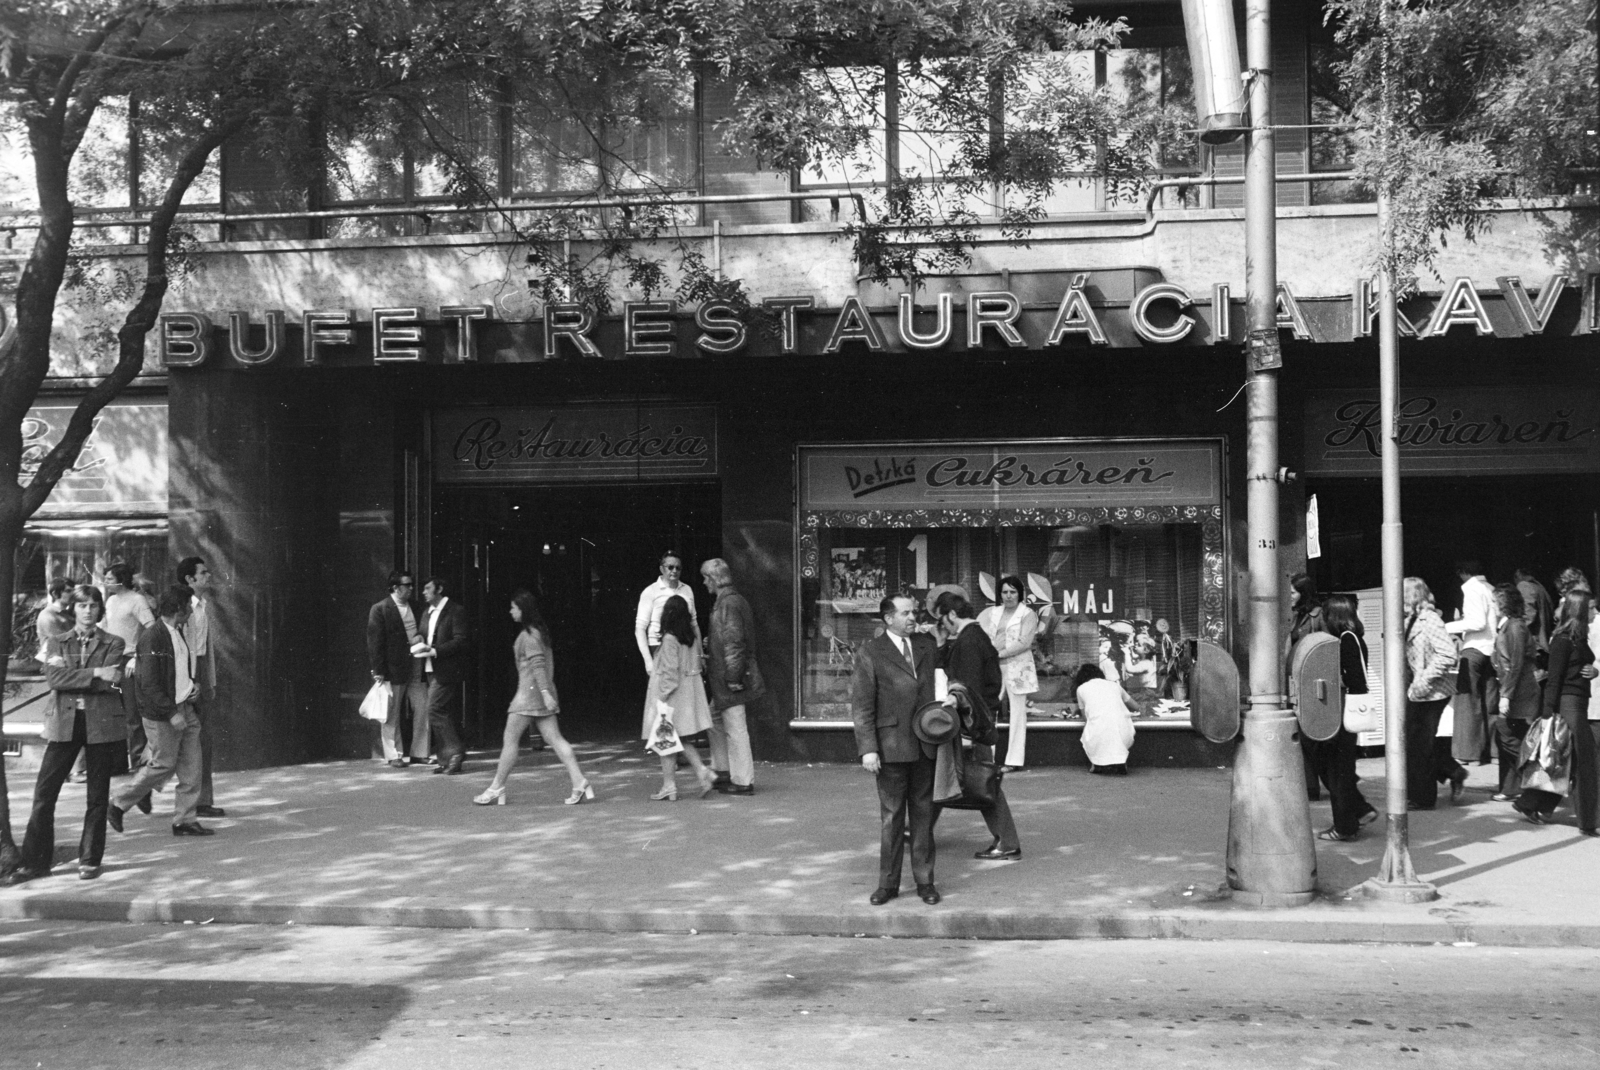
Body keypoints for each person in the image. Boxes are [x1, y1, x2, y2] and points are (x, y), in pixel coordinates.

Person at [7, 586, 129, 883]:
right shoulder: (56, 641)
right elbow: (55, 679)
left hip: (100, 723)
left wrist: (92, 677)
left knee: (97, 796)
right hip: (64, 723)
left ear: (100, 610)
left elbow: (112, 682)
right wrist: (96, 673)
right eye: (82, 605)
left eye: (93, 606)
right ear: (72, 609)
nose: (88, 611)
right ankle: (36, 862)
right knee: (44, 793)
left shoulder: (115, 642)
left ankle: (90, 860)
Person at [852, 594, 941, 906]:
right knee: (892, 817)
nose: (912, 617)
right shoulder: (871, 652)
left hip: (926, 742)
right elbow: (862, 704)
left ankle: (925, 881)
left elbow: (941, 684)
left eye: (913, 612)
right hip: (890, 746)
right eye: (905, 613)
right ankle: (887, 884)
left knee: (923, 814)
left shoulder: (927, 645)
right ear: (888, 618)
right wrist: (868, 749)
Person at [108, 586, 213, 837]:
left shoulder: (176, 631)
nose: (191, 610)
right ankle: (118, 803)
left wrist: (192, 687)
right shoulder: (153, 637)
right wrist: (171, 713)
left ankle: (185, 820)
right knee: (163, 765)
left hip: (184, 707)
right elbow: (148, 683)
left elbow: (177, 670)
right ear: (178, 608)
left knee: (192, 768)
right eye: (188, 605)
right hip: (164, 714)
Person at [474, 589, 592, 806]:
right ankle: (579, 781)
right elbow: (544, 666)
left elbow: (537, 666)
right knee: (555, 739)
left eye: (514, 608)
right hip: (540, 694)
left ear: (523, 610)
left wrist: (545, 693)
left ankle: (496, 787)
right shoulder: (540, 632)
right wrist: (547, 693)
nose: (510, 612)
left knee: (510, 741)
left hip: (527, 696)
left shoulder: (528, 636)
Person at [933, 591, 1021, 861]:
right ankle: (916, 829)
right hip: (979, 720)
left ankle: (1007, 842)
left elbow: (965, 687)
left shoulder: (968, 642)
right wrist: (942, 644)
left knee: (983, 781)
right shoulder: (976, 636)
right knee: (964, 776)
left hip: (971, 724)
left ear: (951, 615)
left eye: (941, 619)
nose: (941, 626)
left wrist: (963, 719)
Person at [1515, 589, 1598, 834]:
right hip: (1569, 706)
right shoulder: (1562, 640)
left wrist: (1594, 671)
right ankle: (1589, 821)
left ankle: (1530, 803)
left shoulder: (1578, 638)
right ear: (1580, 611)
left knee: (1565, 760)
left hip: (1577, 703)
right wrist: (1548, 713)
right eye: (1590, 608)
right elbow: (1555, 678)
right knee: (1584, 761)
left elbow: (1577, 669)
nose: (1594, 612)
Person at [1315, 593, 1378, 840]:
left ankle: (1345, 826)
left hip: (1342, 710)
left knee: (1336, 769)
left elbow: (1353, 678)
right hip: (1346, 710)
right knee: (1339, 768)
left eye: (1326, 614)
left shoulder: (1346, 640)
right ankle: (1359, 811)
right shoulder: (1354, 638)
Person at [701, 558, 764, 796]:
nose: (704, 582)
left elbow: (735, 643)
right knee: (715, 719)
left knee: (735, 727)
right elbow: (731, 638)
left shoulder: (727, 603)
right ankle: (724, 771)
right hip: (727, 676)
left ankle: (742, 780)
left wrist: (733, 677)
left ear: (715, 579)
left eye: (706, 577)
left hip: (728, 678)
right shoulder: (730, 601)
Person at [642, 595, 715, 800]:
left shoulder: (669, 639)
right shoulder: (690, 637)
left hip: (672, 696)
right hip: (688, 693)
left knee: (665, 740)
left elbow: (670, 673)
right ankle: (702, 772)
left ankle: (670, 786)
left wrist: (661, 699)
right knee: (680, 739)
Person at [1403, 577, 1467, 810]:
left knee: (1419, 743)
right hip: (1417, 690)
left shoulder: (1430, 620)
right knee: (1415, 741)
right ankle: (1452, 771)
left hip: (1432, 691)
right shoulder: (1410, 619)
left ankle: (1423, 797)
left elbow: (1448, 655)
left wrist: (1424, 680)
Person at [366, 569, 432, 768]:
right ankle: (394, 754)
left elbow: (423, 629)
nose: (412, 588)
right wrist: (378, 670)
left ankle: (420, 753)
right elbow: (375, 642)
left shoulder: (417, 606)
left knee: (423, 708)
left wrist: (420, 636)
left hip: (416, 664)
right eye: (407, 585)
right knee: (391, 712)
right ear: (395, 588)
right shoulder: (380, 609)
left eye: (412, 584)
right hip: (393, 668)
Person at [176, 557, 225, 818]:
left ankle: (203, 801)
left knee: (204, 740)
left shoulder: (203, 606)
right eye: (203, 573)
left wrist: (210, 681)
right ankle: (139, 790)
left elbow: (206, 648)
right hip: (185, 677)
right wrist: (189, 680)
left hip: (201, 675)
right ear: (190, 579)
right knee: (173, 745)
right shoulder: (182, 607)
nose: (208, 576)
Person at [977, 575, 1039, 772]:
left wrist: (997, 654)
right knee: (988, 710)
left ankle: (1014, 761)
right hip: (992, 667)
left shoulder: (1028, 614)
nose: (1009, 596)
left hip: (1018, 666)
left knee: (1018, 713)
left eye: (1013, 592)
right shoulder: (991, 612)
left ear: (1020, 594)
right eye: (1005, 592)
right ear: (999, 594)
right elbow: (979, 635)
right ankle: (988, 758)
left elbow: (1024, 642)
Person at [100, 561, 154, 772]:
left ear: (121, 579)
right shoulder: (111, 600)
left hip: (129, 661)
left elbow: (151, 630)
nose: (105, 582)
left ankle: (138, 764)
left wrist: (137, 657)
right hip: (110, 660)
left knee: (133, 716)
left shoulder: (137, 600)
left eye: (109, 579)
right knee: (113, 714)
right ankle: (117, 765)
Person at [1490, 583, 1541, 802]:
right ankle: (1510, 787)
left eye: (1495, 602)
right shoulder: (1509, 625)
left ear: (1504, 604)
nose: (1492, 606)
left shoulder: (1515, 627)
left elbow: (1516, 664)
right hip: (1516, 688)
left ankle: (1537, 779)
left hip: (1520, 691)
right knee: (1511, 734)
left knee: (1506, 732)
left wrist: (1506, 695)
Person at [1446, 561, 1499, 766]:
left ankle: (1468, 754)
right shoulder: (1491, 589)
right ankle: (1493, 752)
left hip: (1474, 647)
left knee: (1467, 701)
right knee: (1490, 701)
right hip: (1491, 649)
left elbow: (1477, 622)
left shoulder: (1471, 589)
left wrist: (1447, 626)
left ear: (1463, 572)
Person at [418, 577, 471, 775]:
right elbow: (423, 635)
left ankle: (456, 752)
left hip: (447, 669)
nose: (424, 592)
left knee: (434, 708)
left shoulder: (455, 611)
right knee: (442, 711)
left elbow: (461, 640)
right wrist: (418, 641)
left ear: (440, 589)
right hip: (431, 669)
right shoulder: (427, 613)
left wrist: (435, 651)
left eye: (427, 588)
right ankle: (446, 760)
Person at [1287, 572, 1329, 801]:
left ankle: (1335, 786)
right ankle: (1310, 787)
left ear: (1304, 593)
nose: (1289, 596)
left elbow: (1327, 647)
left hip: (1312, 680)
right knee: (1302, 735)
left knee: (1312, 736)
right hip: (1294, 681)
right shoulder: (1289, 614)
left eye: (1293, 592)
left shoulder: (1317, 615)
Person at [634, 550, 697, 675]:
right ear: (662, 569)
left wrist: (698, 656)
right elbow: (640, 629)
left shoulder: (687, 590)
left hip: (684, 647)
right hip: (659, 647)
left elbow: (694, 625)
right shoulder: (650, 591)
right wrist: (648, 661)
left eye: (678, 568)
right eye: (670, 567)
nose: (674, 571)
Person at [1074, 664, 1137, 774]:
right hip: (1124, 731)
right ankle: (1120, 762)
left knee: (1091, 729)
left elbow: (1086, 718)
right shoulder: (1115, 685)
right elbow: (1136, 706)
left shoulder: (1081, 689)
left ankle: (1096, 764)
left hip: (1097, 733)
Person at [1514, 568, 1554, 654]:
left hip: (1532, 644)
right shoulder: (1540, 587)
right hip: (1541, 643)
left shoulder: (1524, 585)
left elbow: (1528, 615)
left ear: (1519, 575)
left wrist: (1515, 632)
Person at [34, 578, 73, 661]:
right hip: (56, 662)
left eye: (73, 591)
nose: (73, 594)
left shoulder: (67, 613)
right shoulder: (48, 615)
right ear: (55, 594)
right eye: (68, 591)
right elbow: (63, 643)